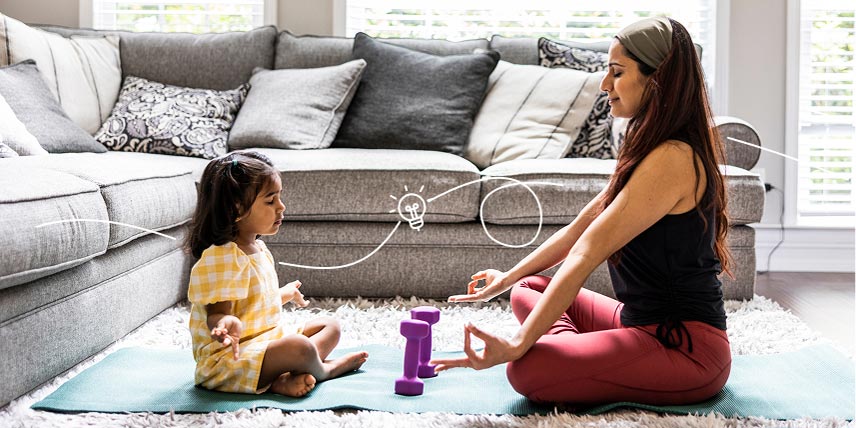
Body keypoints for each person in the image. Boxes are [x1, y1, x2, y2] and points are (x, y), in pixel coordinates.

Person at [431, 16, 732, 405]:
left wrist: (521, 342)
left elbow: (588, 250)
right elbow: (579, 230)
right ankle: (585, 356)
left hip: (684, 349)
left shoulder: (673, 157)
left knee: (527, 371)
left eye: (617, 72)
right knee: (529, 286)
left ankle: (574, 357)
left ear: (657, 79)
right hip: (636, 322)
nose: (605, 84)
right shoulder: (649, 145)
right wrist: (505, 280)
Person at [185, 150, 368, 398]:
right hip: (228, 359)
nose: (281, 207)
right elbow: (218, 313)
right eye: (270, 201)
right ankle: (324, 370)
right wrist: (224, 324)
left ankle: (285, 376)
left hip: (265, 341)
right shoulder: (222, 258)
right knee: (299, 346)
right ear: (236, 209)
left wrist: (283, 293)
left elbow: (254, 302)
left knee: (330, 325)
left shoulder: (257, 247)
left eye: (279, 198)